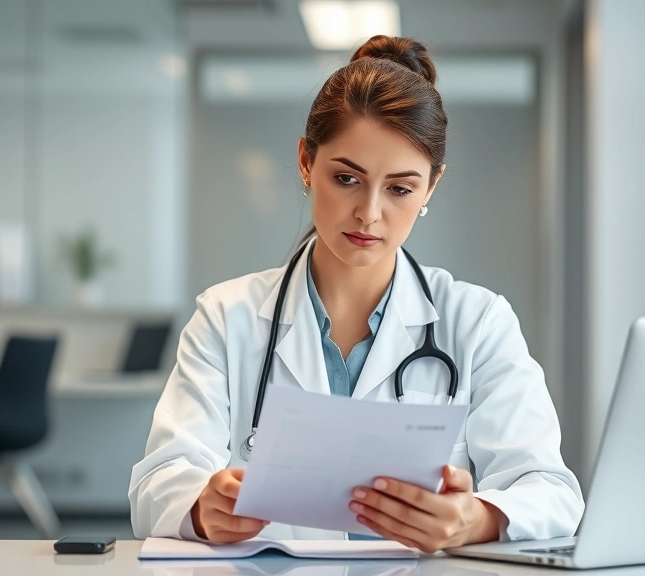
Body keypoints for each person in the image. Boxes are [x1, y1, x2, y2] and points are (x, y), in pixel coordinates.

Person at [129, 35, 583, 554]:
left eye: (400, 188)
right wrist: (200, 505)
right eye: (347, 178)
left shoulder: (478, 322)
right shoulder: (225, 316)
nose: (369, 212)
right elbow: (155, 485)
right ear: (306, 162)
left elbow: (553, 490)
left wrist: (473, 517)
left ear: (431, 186)